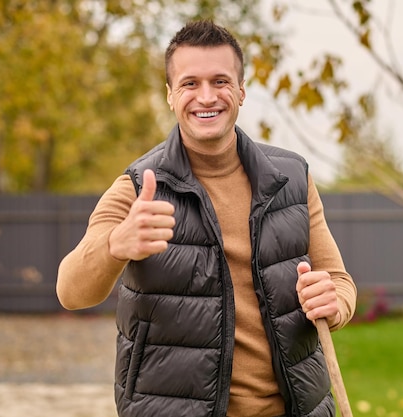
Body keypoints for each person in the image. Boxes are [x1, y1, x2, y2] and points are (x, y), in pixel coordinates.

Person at [56, 19, 357, 417]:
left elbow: (339, 282)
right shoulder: (137, 188)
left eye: (220, 81)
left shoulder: (292, 180)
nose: (206, 96)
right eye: (189, 83)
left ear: (241, 91)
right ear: (170, 95)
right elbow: (71, 291)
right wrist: (116, 245)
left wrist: (333, 304)